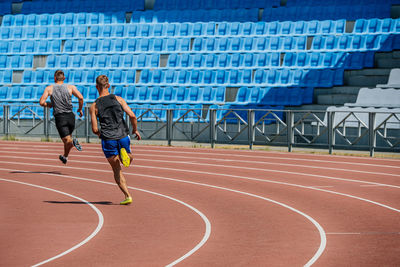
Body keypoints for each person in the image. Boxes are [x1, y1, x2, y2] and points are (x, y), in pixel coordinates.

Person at [89, 75, 141, 205]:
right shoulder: (118, 99)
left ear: (97, 87)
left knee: (117, 170)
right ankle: (128, 156)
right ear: (109, 86)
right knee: (127, 158)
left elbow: (95, 129)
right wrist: (135, 130)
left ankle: (127, 195)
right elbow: (132, 116)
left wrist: (101, 135)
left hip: (108, 138)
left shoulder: (94, 106)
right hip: (123, 135)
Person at [39, 70, 84, 164]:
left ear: (55, 78)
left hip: (60, 117)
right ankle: (65, 157)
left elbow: (41, 102)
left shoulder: (49, 88)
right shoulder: (71, 87)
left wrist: (49, 104)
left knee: (68, 141)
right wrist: (80, 109)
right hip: (71, 116)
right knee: (67, 140)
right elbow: (80, 97)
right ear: (64, 78)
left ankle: (73, 142)